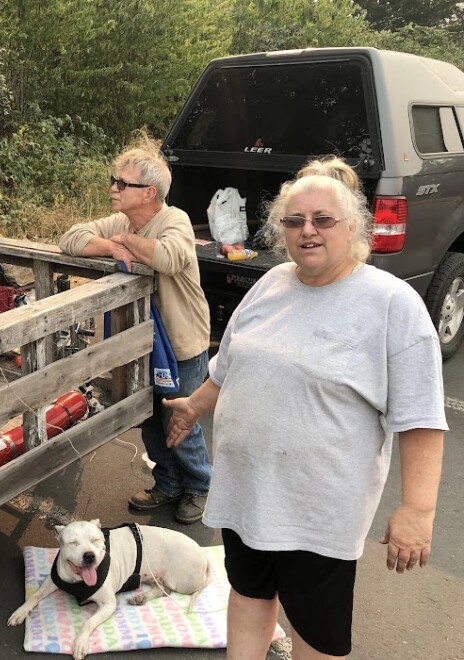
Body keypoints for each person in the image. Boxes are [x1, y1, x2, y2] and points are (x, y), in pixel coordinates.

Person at [164, 157, 447, 658]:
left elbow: (421, 416)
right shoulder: (271, 284)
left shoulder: (390, 304)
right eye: (294, 221)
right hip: (248, 490)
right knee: (250, 596)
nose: (306, 231)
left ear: (354, 226)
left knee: (314, 632)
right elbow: (229, 365)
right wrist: (194, 406)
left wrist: (417, 509)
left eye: (322, 220)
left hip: (317, 510)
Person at [58, 145, 212, 524]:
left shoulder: (174, 219)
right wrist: (112, 244)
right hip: (140, 344)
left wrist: (125, 243)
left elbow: (169, 257)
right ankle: (168, 483)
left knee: (180, 418)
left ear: (149, 193)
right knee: (148, 418)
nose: (113, 188)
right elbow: (70, 239)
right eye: (114, 180)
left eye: (123, 183)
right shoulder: (121, 223)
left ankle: (199, 486)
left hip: (180, 343)